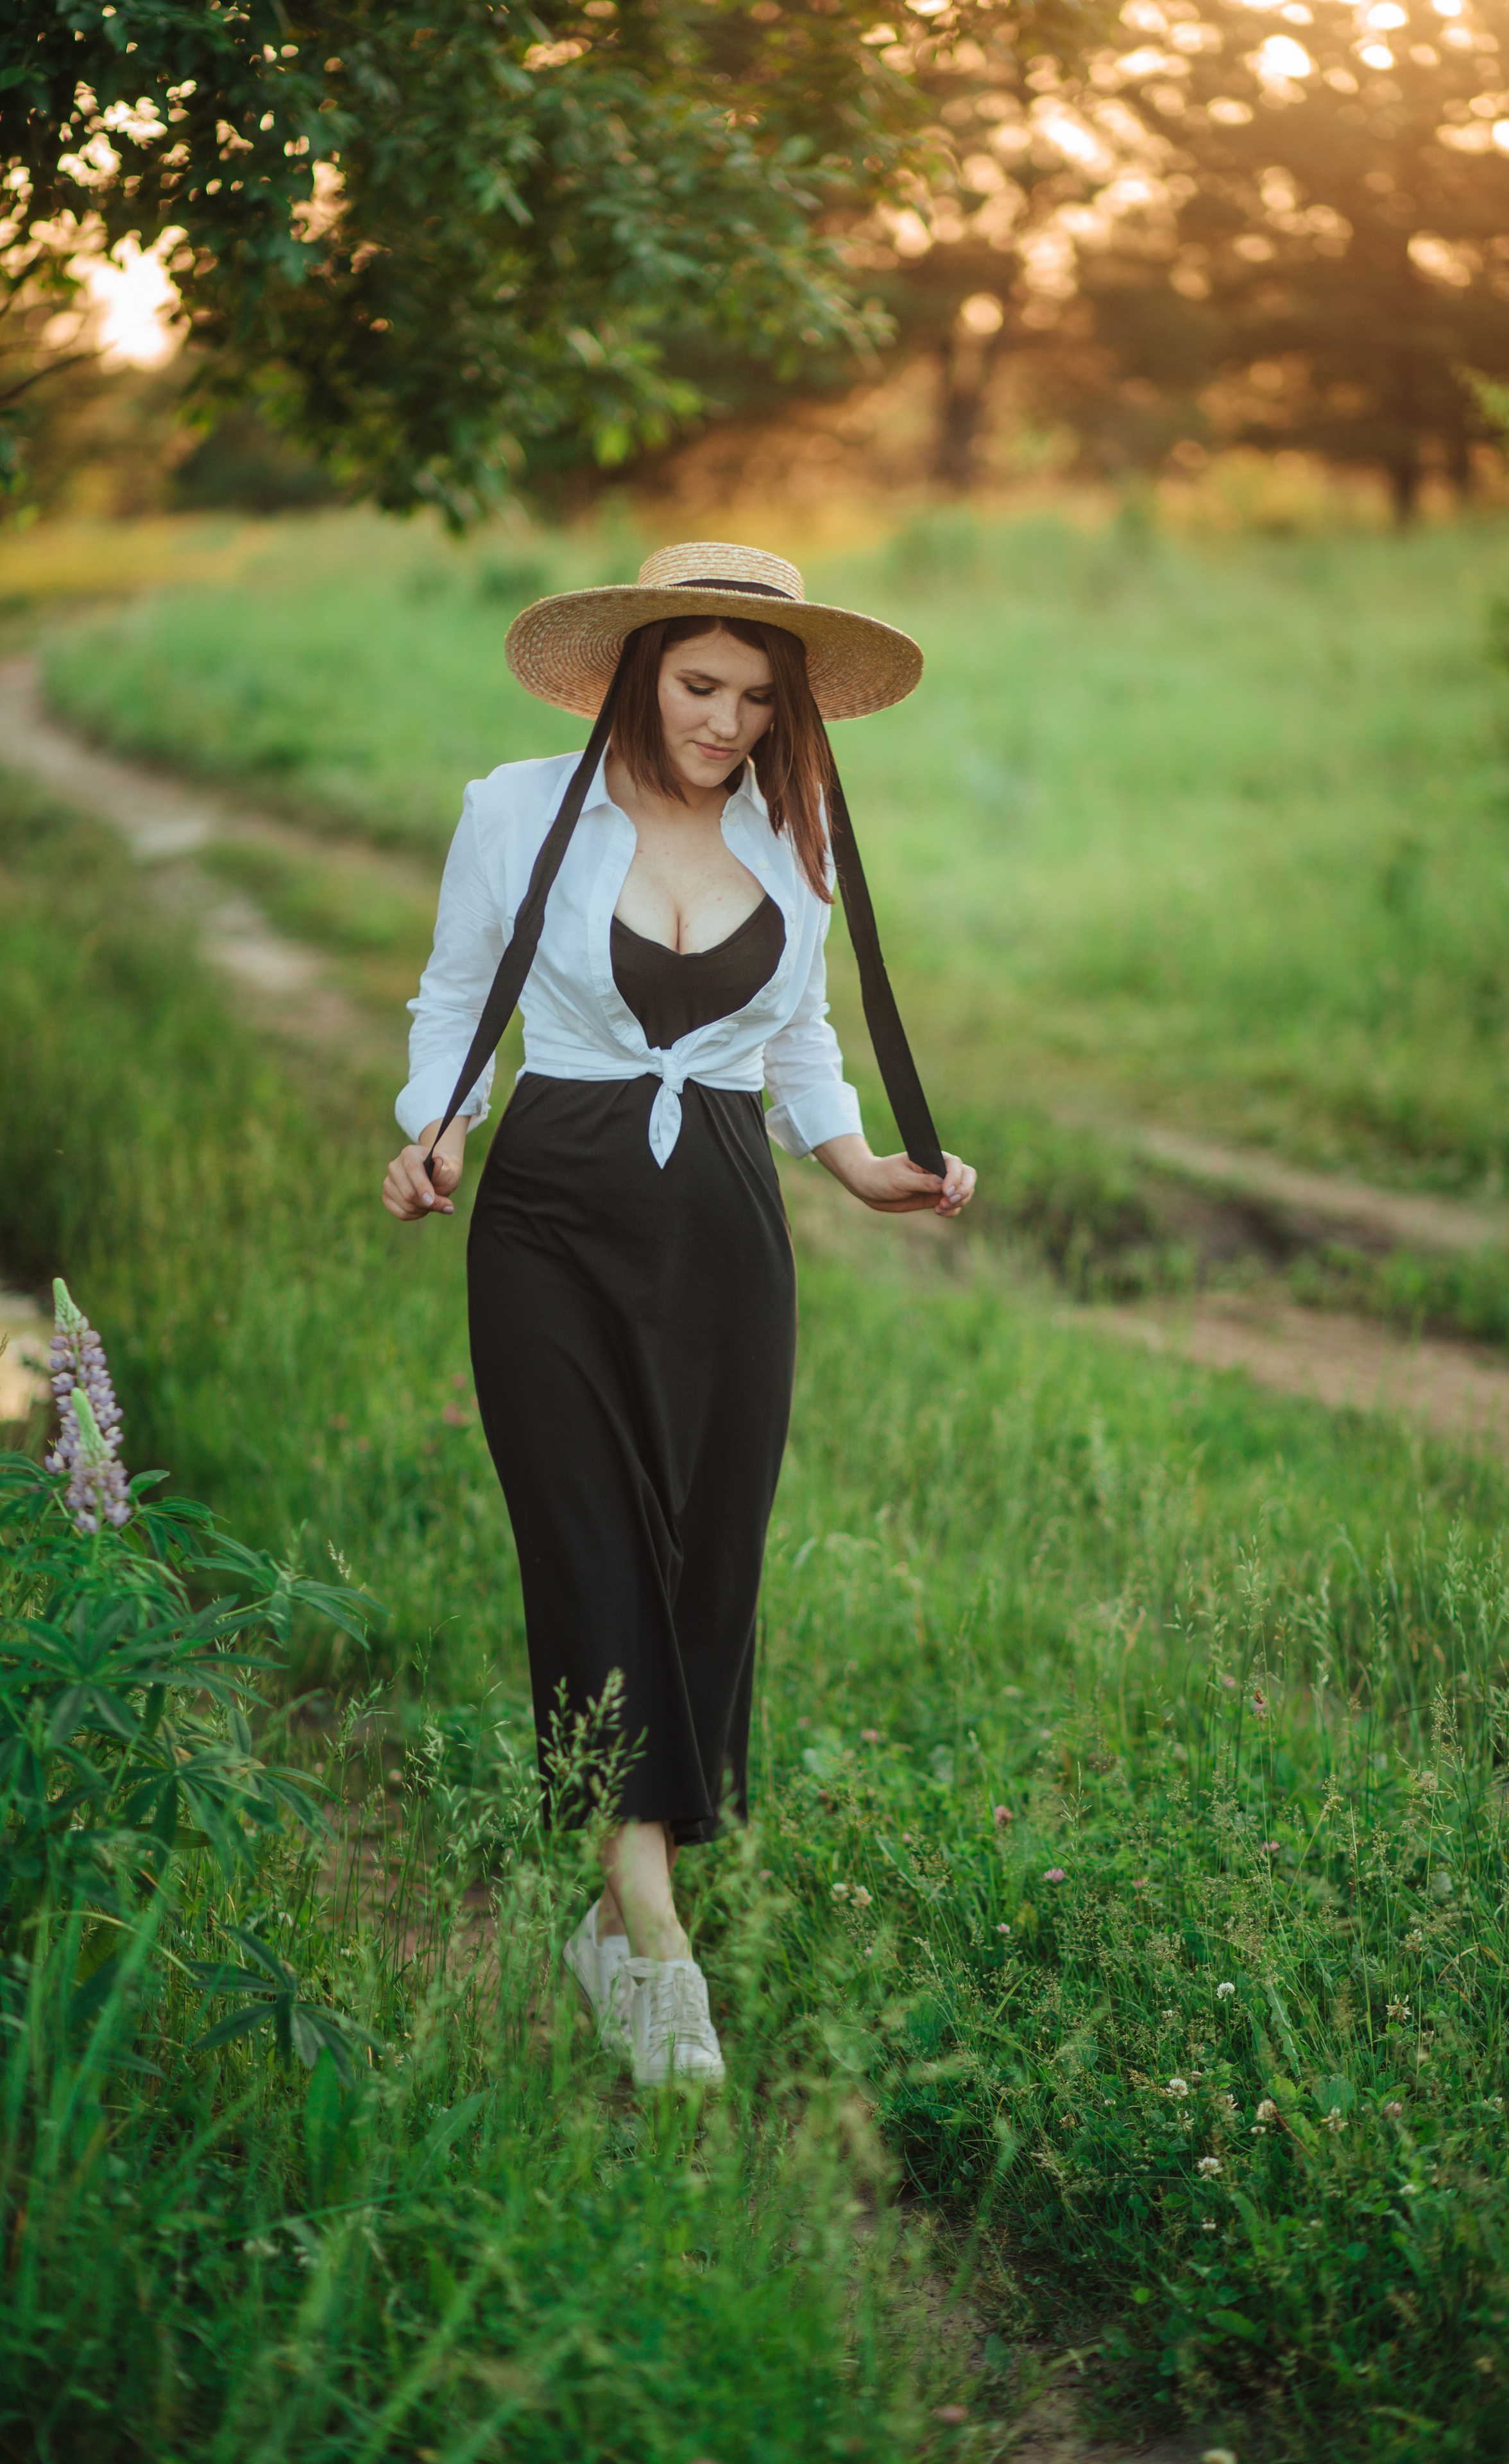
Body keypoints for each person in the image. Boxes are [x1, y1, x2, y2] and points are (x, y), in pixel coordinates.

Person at [382, 542, 976, 2088]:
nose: (725, 722)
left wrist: (859, 1165)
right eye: (701, 685)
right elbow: (456, 999)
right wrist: (434, 1126)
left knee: (707, 1561)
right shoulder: (519, 808)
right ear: (640, 669)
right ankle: (654, 1947)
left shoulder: (794, 833)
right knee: (586, 1546)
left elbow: (802, 1039)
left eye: (757, 699)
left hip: (722, 1222)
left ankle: (615, 1908)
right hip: (550, 1210)